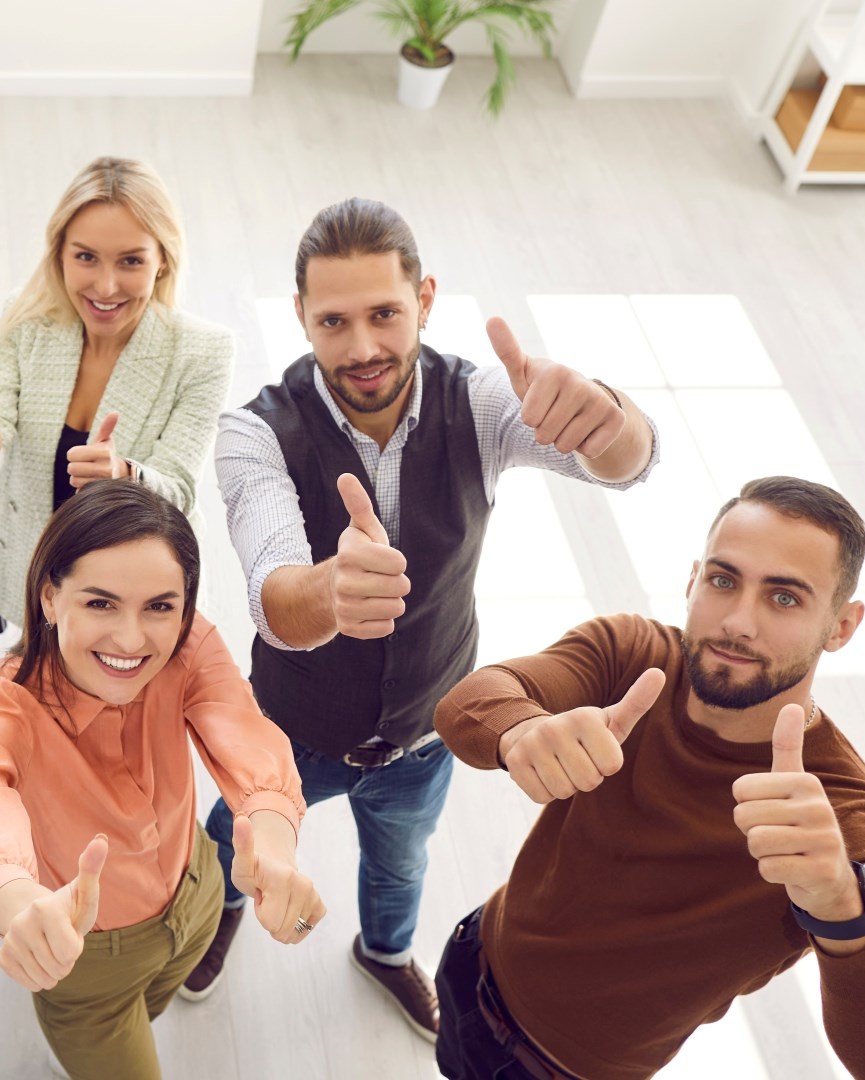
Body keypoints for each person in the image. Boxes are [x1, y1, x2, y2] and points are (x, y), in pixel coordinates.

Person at [188, 196, 661, 1039]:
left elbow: (622, 467)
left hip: (423, 735)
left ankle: (383, 952)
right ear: (300, 316)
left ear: (427, 301)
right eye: (334, 321)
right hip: (290, 729)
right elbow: (274, 596)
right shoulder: (252, 433)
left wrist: (613, 423)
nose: (364, 347)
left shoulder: (480, 404)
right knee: (233, 842)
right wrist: (329, 594)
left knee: (401, 865)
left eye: (385, 315)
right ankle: (215, 912)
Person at [431, 476, 865, 1080]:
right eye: (723, 581)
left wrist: (841, 908)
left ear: (841, 626)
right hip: (475, 957)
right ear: (692, 580)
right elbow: (469, 703)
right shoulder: (634, 655)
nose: (738, 622)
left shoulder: (849, 826)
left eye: (784, 598)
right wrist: (519, 730)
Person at [0, 479, 323, 1080]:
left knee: (156, 1004)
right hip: (87, 954)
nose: (133, 639)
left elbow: (244, 735)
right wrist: (16, 898)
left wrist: (274, 850)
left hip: (198, 892)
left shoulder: (190, 645)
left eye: (160, 607)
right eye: (100, 603)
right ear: (48, 598)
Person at [0, 156, 233, 624]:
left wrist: (126, 478)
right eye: (86, 257)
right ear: (59, 253)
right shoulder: (28, 317)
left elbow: (179, 488)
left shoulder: (204, 352)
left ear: (162, 262)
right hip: (29, 576)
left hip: (132, 599)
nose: (106, 286)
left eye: (131, 261)